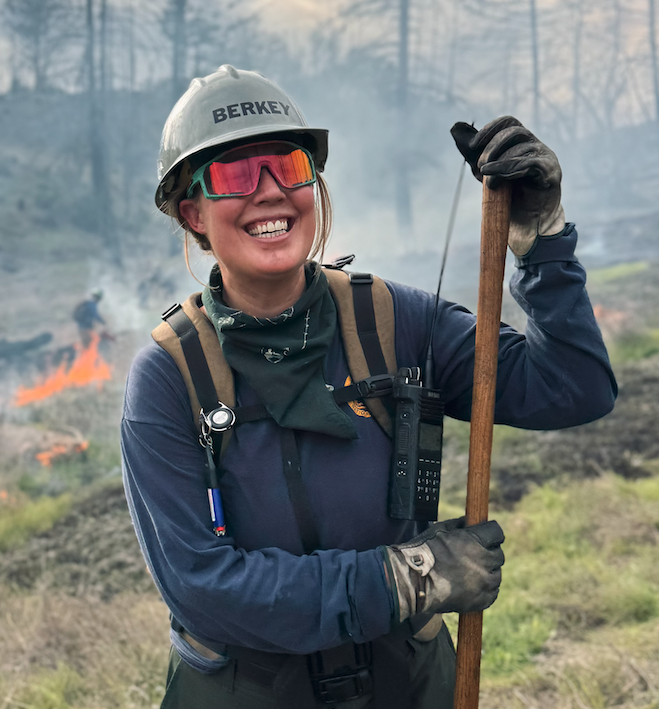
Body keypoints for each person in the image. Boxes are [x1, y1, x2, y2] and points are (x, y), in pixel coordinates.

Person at [121, 65, 616, 709]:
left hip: (406, 683)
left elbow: (574, 388)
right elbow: (202, 588)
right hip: (250, 691)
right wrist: (407, 580)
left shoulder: (394, 322)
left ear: (315, 185)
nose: (269, 192)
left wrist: (542, 242)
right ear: (193, 214)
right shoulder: (169, 377)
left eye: (289, 165)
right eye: (236, 176)